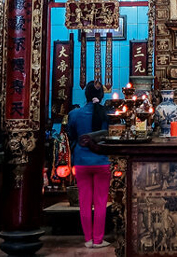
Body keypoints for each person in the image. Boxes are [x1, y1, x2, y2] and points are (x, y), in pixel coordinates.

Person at [67, 81, 110, 249]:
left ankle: (88, 239)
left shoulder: (75, 114)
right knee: (100, 201)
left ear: (86, 95)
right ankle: (98, 240)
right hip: (102, 161)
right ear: (101, 96)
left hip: (82, 161)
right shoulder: (106, 114)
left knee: (84, 201)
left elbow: (71, 134)